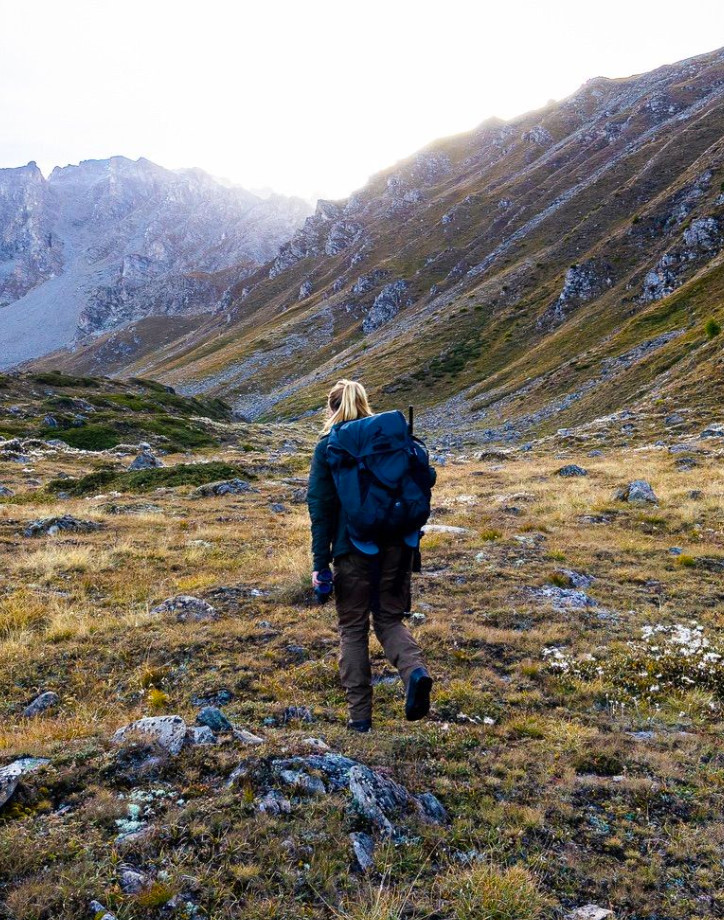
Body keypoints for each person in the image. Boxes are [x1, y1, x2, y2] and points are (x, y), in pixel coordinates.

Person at [306, 378, 433, 733]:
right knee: (390, 621)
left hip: (353, 550)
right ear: (365, 403)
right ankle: (415, 673)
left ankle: (360, 720)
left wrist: (320, 564)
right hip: (398, 544)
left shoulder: (330, 447)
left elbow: (321, 508)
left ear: (331, 408)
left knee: (353, 629)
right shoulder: (390, 440)